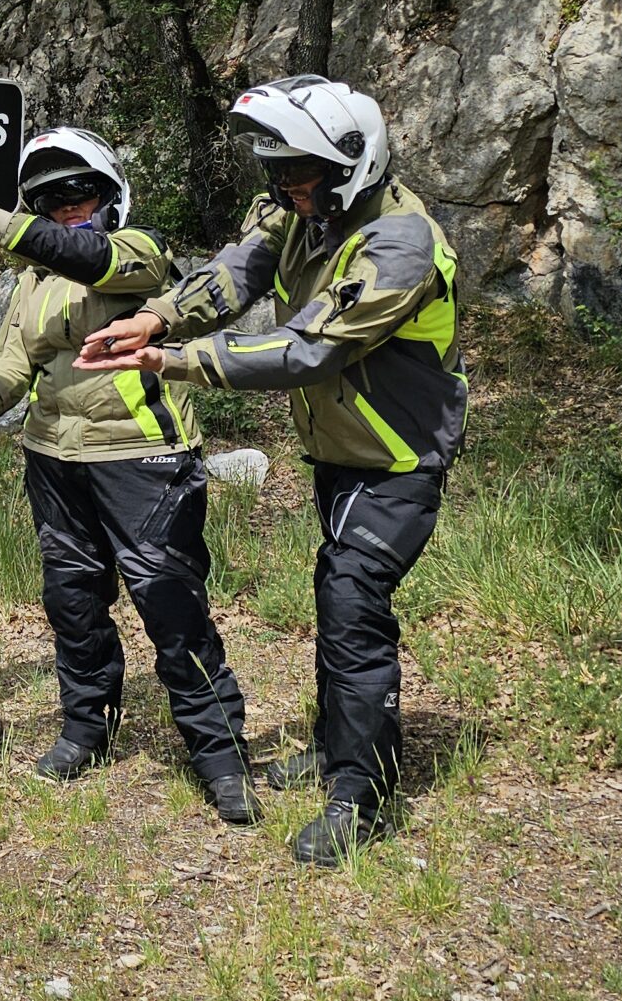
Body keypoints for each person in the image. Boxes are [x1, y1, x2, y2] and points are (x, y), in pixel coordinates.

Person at [77, 75, 465, 867]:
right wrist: (157, 314)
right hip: (342, 451)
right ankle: (333, 741)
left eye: (301, 170)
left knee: (353, 601)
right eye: (278, 171)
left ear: (349, 163)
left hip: (398, 460)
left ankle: (363, 794)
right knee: (336, 589)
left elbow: (308, 347)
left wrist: (175, 359)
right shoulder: (301, 214)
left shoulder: (400, 243)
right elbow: (235, 273)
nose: (287, 185)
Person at [0, 127, 261, 826]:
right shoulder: (33, 284)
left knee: (171, 608)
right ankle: (88, 727)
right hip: (54, 460)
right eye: (49, 199)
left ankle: (220, 754)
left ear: (109, 195)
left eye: (79, 193)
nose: (66, 209)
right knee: (72, 602)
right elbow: (9, 369)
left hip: (143, 460)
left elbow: (86, 254)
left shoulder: (140, 255)